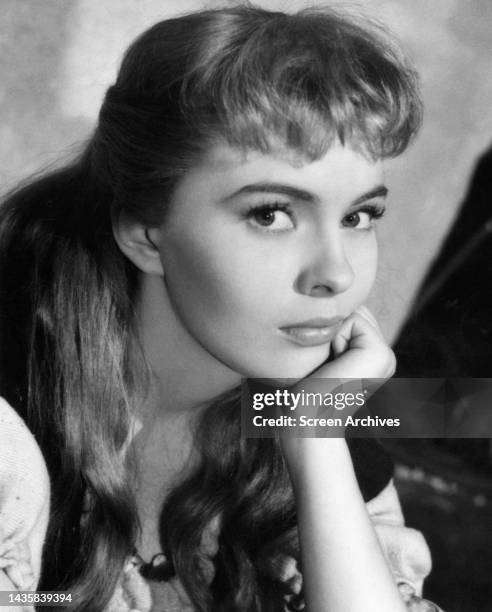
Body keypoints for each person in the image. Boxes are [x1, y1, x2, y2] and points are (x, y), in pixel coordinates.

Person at [0, 5, 442, 611]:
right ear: (146, 234)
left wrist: (310, 434)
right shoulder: (13, 433)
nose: (336, 275)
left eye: (359, 216)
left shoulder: (316, 412)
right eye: (270, 214)